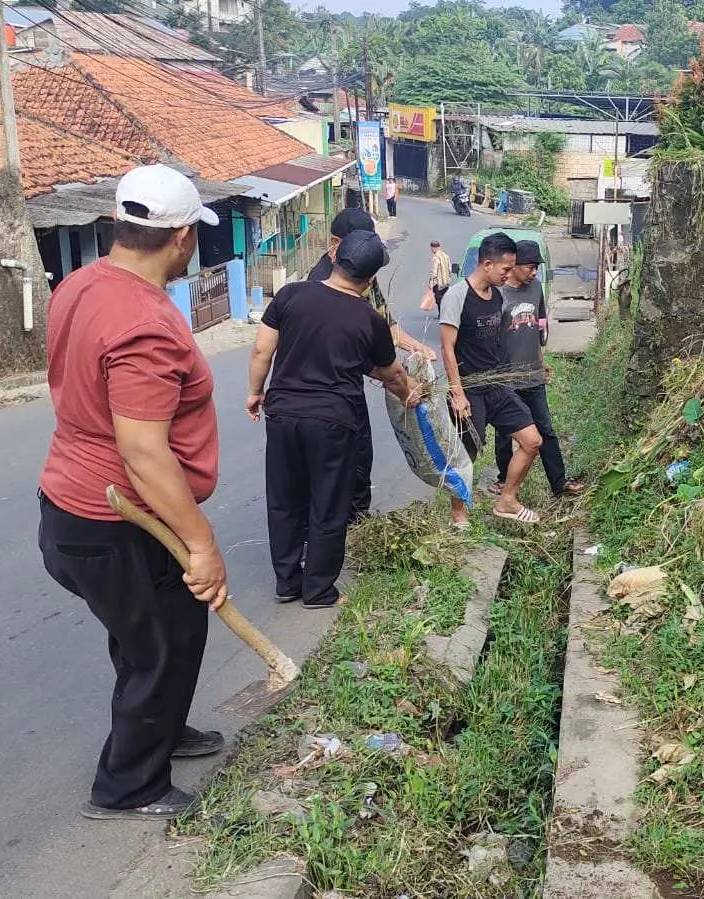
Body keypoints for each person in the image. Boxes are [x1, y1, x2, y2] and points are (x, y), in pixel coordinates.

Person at [36, 165, 227, 822]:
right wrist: (202, 544)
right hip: (113, 517)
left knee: (157, 629)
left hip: (77, 505)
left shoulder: (81, 283)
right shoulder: (143, 322)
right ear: (179, 237)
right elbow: (143, 451)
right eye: (193, 235)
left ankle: (162, 731)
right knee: (159, 644)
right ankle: (127, 786)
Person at [248, 229, 422, 607]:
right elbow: (390, 373)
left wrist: (254, 392)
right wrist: (410, 392)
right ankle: (319, 590)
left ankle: (288, 583)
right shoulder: (368, 318)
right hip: (333, 421)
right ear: (371, 278)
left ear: (335, 257)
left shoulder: (290, 294)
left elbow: (262, 350)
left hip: (282, 415)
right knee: (328, 502)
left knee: (284, 500)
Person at [309, 207, 434, 524]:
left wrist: (418, 347)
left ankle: (353, 521)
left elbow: (384, 324)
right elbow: (350, 351)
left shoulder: (361, 270)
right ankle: (338, 527)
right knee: (342, 460)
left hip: (346, 384)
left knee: (359, 456)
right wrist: (401, 382)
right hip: (327, 390)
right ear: (335, 244)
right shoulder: (320, 285)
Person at [439, 231, 544, 527]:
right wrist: (457, 394)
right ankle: (458, 514)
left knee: (532, 441)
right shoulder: (457, 296)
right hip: (469, 387)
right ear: (487, 263)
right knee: (467, 453)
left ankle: (507, 500)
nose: (508, 275)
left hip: (496, 384)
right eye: (505, 269)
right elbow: (447, 348)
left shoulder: (496, 297)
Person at [489, 240, 583, 499]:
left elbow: (538, 327)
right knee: (505, 434)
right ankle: (503, 481)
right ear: (514, 266)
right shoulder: (498, 296)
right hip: (506, 379)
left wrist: (541, 363)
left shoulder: (536, 289)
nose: (533, 273)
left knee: (546, 430)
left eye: (536, 268)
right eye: (530, 267)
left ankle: (559, 482)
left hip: (533, 375)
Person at [421, 239, 453, 316]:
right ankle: (446, 313)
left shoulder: (436, 258)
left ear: (433, 248)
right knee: (445, 298)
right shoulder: (446, 256)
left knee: (439, 299)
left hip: (439, 283)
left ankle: (441, 314)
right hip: (446, 282)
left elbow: (434, 273)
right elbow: (450, 269)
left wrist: (431, 284)